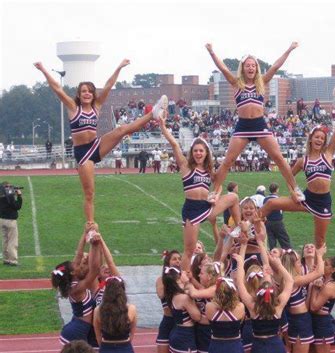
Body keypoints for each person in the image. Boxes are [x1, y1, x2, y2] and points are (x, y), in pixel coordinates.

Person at [34, 60, 167, 227]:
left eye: (90, 91)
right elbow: (57, 89)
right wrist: (44, 70)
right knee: (89, 193)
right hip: (83, 154)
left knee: (121, 130)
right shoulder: (73, 108)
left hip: (96, 145)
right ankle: (90, 224)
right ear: (79, 94)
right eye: (84, 91)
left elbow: (109, 85)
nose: (87, 94)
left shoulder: (97, 106)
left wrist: (118, 67)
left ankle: (153, 114)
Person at [205, 42, 305, 204]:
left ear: (256, 68)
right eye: (248, 65)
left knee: (279, 158)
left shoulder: (261, 83)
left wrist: (289, 49)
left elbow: (275, 66)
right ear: (243, 68)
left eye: (253, 65)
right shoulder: (237, 84)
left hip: (259, 125)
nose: (251, 68)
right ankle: (215, 190)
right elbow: (223, 68)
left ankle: (295, 188)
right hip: (243, 126)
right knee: (228, 160)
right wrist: (211, 52)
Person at [157, 113, 240, 272]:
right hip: (192, 210)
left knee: (234, 197)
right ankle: (184, 279)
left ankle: (239, 228)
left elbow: (219, 185)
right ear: (192, 152)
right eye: (195, 151)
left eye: (201, 151)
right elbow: (174, 144)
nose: (198, 153)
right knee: (188, 251)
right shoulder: (185, 166)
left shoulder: (209, 170)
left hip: (207, 207)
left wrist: (215, 194)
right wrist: (162, 126)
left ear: (206, 153)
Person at [258, 110, 335, 247]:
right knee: (271, 204)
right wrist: (294, 192)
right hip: (307, 198)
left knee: (320, 241)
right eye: (317, 137)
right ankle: (248, 227)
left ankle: (317, 266)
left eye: (322, 138)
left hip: (323, 202)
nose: (319, 140)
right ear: (311, 139)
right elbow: (288, 176)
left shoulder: (327, 155)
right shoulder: (302, 161)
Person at [233, 252, 294, 353]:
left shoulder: (253, 307)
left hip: (259, 346)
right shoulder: (278, 307)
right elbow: (290, 281)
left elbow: (239, 283)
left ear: (258, 292)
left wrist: (240, 263)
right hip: (276, 346)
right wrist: (279, 265)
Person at [51, 228, 101, 346]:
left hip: (79, 329)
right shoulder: (76, 289)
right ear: (72, 273)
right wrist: (95, 245)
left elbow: (78, 254)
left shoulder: (74, 278)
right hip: (76, 332)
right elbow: (94, 271)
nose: (77, 262)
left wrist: (85, 232)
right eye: (75, 264)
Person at [307, 257, 335, 353]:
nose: (322, 265)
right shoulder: (324, 280)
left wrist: (314, 288)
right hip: (314, 321)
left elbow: (313, 307)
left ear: (333, 270)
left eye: (325, 264)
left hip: (322, 324)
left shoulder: (330, 286)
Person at [93, 277, 137, 353]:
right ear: (122, 291)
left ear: (106, 292)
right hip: (125, 347)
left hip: (106, 348)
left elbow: (98, 336)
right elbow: (132, 333)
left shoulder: (98, 310)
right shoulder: (131, 309)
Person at [205, 277, 245, 353]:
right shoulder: (240, 307)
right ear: (233, 291)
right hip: (234, 347)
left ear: (217, 291)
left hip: (216, 347)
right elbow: (241, 322)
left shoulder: (209, 307)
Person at [156, 250, 181, 353]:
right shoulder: (161, 280)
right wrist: (170, 279)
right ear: (167, 262)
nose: (178, 261)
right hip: (168, 321)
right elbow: (161, 294)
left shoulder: (183, 278)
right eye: (174, 259)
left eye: (179, 259)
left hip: (181, 324)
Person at [263, 183, 292, 250]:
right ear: (277, 190)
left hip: (268, 222)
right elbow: (283, 209)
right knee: (284, 238)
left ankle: (273, 254)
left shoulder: (265, 199)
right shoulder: (278, 199)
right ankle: (288, 253)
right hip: (277, 221)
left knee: (271, 240)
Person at [0, 182, 22, 266]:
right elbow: (17, 206)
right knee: (12, 241)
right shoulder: (9, 196)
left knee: (5, 240)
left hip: (1, 219)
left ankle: (6, 259)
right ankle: (12, 260)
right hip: (10, 221)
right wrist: (19, 196)